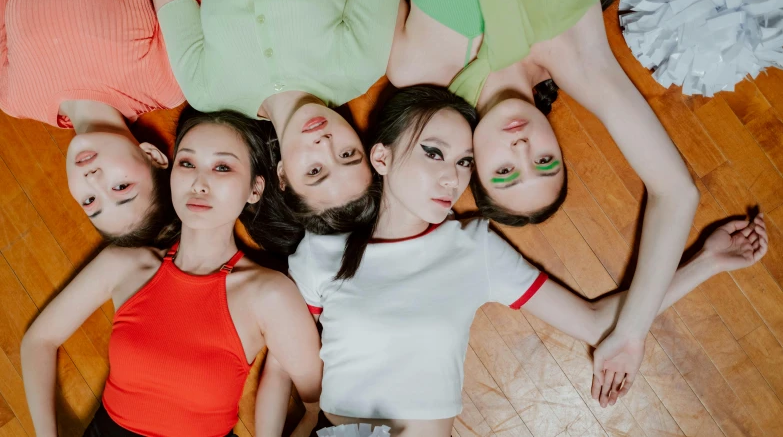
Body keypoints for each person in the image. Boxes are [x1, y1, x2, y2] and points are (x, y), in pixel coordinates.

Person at [261, 87, 767, 437]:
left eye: (464, 163)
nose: (451, 179)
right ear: (382, 158)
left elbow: (594, 322)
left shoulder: (473, 249)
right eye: (434, 153)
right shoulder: (320, 253)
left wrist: (705, 262)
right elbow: (282, 360)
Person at [339, 0, 702, 397]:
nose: (523, 148)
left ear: (472, 164)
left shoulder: (414, 66)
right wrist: (631, 334)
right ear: (556, 142)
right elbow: (677, 193)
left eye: (505, 171)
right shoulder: (578, 58)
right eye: (545, 161)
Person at [21, 110, 322, 437]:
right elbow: (39, 340)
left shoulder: (270, 293)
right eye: (187, 163)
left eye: (222, 167)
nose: (199, 183)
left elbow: (315, 401)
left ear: (254, 189)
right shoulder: (124, 265)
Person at [139, 0, 406, 234]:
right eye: (348, 154)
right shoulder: (361, 64)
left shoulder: (206, 91)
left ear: (282, 175)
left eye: (315, 170)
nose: (325, 143)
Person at [0, 0, 203, 244]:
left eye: (90, 201)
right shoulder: (164, 85)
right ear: (153, 157)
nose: (93, 180)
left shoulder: (15, 97)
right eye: (121, 188)